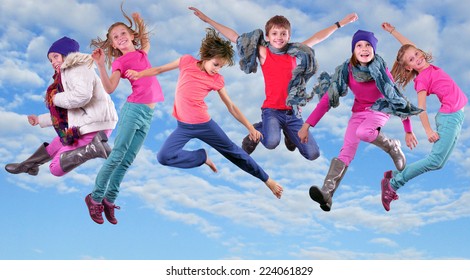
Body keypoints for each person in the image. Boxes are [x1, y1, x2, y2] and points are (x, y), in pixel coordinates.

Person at [125, 28, 283, 199]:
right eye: (216, 64)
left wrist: (250, 127)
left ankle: (267, 180)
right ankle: (201, 157)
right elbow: (159, 70)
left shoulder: (217, 80)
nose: (217, 69)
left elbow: (231, 105)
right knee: (163, 157)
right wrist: (139, 74)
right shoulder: (186, 61)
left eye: (221, 67)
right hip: (183, 126)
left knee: (234, 152)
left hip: (204, 125)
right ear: (206, 56)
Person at [189, 7, 358, 160]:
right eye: (275, 34)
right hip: (272, 111)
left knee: (313, 154)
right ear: (268, 36)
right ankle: (258, 129)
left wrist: (340, 24)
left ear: (289, 36)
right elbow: (235, 37)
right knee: (270, 142)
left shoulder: (295, 52)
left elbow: (317, 37)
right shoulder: (263, 53)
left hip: (293, 114)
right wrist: (208, 20)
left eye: (283, 34)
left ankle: (289, 133)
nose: (279, 37)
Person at [299, 30, 423, 211]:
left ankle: (392, 146)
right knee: (345, 152)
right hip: (359, 113)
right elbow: (327, 99)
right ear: (353, 50)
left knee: (364, 132)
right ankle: (327, 194)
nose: (364, 49)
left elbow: (396, 98)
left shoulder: (381, 70)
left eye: (368, 46)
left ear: (373, 49)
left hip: (380, 109)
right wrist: (307, 125)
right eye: (359, 45)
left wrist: (408, 130)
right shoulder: (346, 70)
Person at [86, 6, 164, 224]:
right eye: (115, 37)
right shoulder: (120, 62)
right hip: (133, 111)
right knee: (117, 155)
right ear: (112, 44)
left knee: (127, 160)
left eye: (123, 33)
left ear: (131, 37)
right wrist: (101, 65)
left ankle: (109, 200)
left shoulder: (141, 53)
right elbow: (110, 88)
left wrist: (140, 23)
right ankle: (95, 198)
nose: (120, 38)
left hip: (148, 115)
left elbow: (146, 42)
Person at [379, 23, 468, 211]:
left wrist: (393, 31)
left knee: (439, 163)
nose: (417, 58)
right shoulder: (422, 80)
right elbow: (421, 108)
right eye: (412, 59)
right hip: (449, 118)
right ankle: (393, 185)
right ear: (409, 67)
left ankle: (392, 175)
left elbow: (410, 47)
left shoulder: (428, 66)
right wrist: (428, 131)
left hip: (457, 116)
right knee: (434, 161)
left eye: (417, 54)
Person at [5, 36, 117, 177]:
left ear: (68, 54)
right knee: (56, 143)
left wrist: (55, 98)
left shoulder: (76, 68)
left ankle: (93, 148)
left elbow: (82, 96)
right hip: (90, 123)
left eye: (56, 56)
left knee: (55, 169)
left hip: (93, 126)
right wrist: (40, 120)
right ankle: (29, 165)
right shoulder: (67, 73)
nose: (53, 62)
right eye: (50, 60)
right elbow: (67, 113)